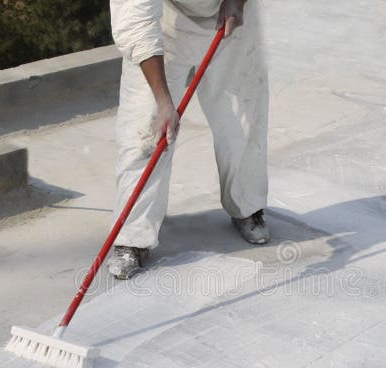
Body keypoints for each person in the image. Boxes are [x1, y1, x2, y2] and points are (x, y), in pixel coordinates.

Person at [107, 0, 270, 279]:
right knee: (145, 131)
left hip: (228, 14)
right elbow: (136, 22)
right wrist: (163, 101)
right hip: (168, 21)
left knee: (242, 119)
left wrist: (237, 2)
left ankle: (246, 205)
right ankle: (132, 238)